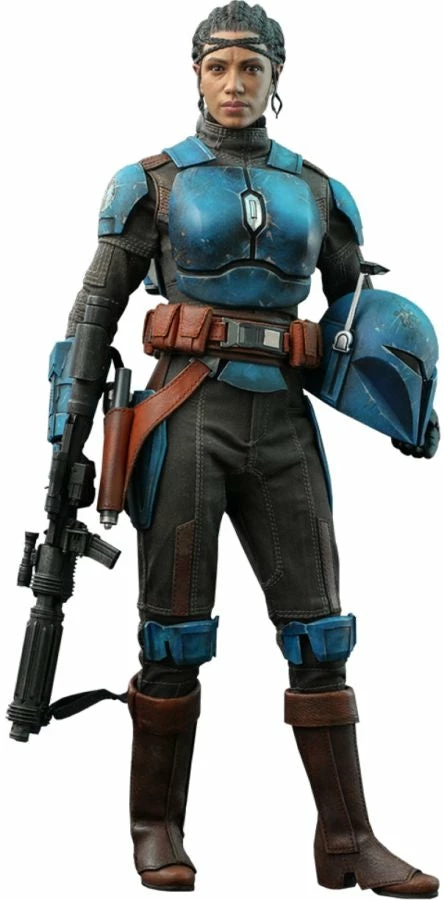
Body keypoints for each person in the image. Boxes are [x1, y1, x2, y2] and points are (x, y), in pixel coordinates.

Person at [48, 1, 439, 895]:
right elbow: (94, 310)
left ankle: (347, 839)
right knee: (174, 633)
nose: (234, 84)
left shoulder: (319, 192)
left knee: (320, 631)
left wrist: (410, 402)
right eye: (219, 67)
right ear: (195, 74)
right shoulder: (150, 183)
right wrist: (68, 434)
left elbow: (357, 314)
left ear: (275, 78)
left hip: (284, 424)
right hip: (188, 413)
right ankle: (156, 827)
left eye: (251, 68)